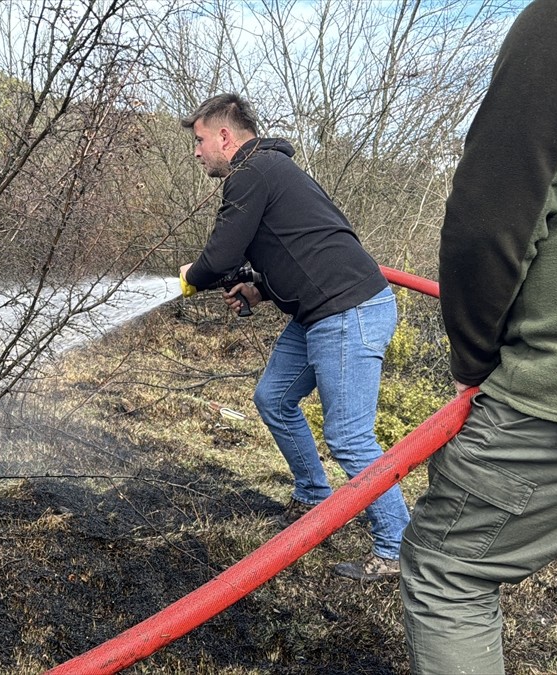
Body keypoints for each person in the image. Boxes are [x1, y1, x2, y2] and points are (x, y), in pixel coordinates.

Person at [399, 1, 557, 672]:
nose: (198, 151)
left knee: (446, 567)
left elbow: (488, 224)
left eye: (200, 140)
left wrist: (475, 358)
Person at [178, 93, 409, 580]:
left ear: (225, 136)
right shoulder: (268, 171)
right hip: (320, 313)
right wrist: (258, 289)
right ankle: (313, 497)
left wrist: (191, 275)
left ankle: (395, 548)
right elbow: (296, 246)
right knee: (273, 398)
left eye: (199, 141)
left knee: (348, 437)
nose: (196, 152)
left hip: (348, 312)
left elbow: (218, 257)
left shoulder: (251, 173)